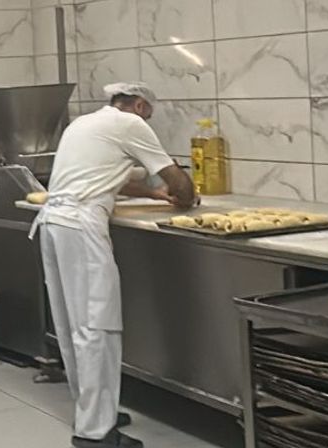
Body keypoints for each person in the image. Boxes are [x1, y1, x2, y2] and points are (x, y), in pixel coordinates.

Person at [31, 83, 196, 448]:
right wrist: (187, 196)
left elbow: (106, 176)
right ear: (138, 105)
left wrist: (151, 194)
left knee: (73, 325)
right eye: (148, 114)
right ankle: (95, 433)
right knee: (98, 325)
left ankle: (93, 412)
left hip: (53, 223)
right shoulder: (130, 124)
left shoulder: (85, 124)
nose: (148, 122)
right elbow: (177, 181)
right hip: (81, 225)